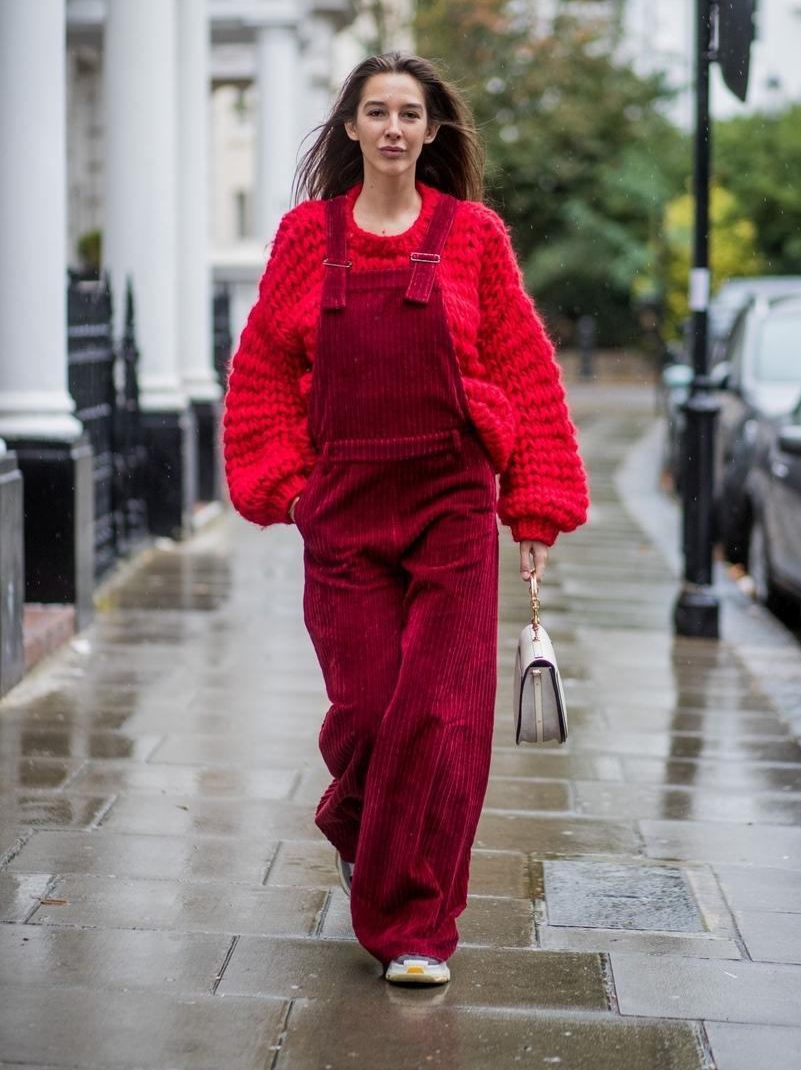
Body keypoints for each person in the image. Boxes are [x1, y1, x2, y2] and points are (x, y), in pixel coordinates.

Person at [222, 51, 588, 987]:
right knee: (367, 708)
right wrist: (287, 488)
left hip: (451, 505)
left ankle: (413, 926)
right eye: (375, 112)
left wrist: (534, 501)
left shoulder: (472, 237)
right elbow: (262, 366)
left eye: (409, 114)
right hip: (342, 511)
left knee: (438, 715)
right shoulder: (308, 238)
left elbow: (521, 368)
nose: (392, 128)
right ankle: (359, 822)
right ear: (350, 127)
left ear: (432, 132)